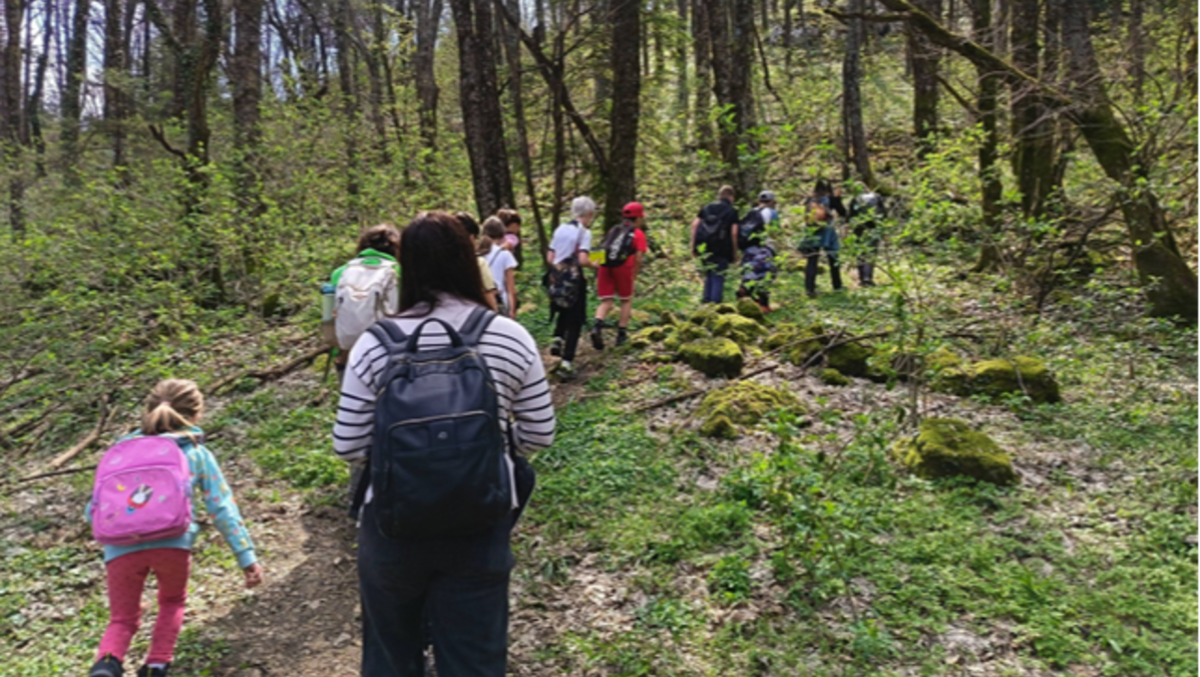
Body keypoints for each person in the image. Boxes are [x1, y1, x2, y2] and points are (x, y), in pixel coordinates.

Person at [332, 212, 555, 677]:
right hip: (479, 526)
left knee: (391, 658)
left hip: (393, 529)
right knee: (474, 662)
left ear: (405, 266)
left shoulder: (375, 344)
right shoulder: (509, 336)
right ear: (468, 259)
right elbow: (539, 434)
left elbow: (348, 445)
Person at [88, 379, 263, 677]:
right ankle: (156, 665)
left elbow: (93, 507)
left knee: (122, 618)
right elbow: (223, 508)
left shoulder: (119, 451)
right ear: (196, 414)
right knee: (171, 601)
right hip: (173, 543)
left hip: (120, 548)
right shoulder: (195, 452)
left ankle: (106, 664)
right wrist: (246, 558)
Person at [328, 224, 402, 382]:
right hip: (389, 354)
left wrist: (337, 354)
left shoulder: (340, 273)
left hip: (348, 354)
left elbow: (328, 320)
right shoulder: (400, 271)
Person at [546, 197, 600, 380]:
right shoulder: (584, 232)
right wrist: (596, 265)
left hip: (556, 277)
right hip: (575, 281)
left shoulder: (560, 229)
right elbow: (584, 260)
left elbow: (550, 257)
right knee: (576, 319)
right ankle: (566, 363)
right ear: (589, 214)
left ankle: (557, 339)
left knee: (562, 309)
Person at [591, 202, 649, 349]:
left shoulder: (614, 229)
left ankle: (597, 326)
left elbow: (603, 248)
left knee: (606, 301)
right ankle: (621, 334)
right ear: (638, 219)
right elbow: (638, 258)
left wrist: (595, 266)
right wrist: (634, 275)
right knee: (626, 300)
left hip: (605, 265)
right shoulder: (638, 234)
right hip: (624, 267)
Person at [691, 185, 740, 304]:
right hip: (722, 248)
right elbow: (734, 232)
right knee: (718, 275)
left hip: (705, 246)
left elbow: (695, 225)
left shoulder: (707, 208)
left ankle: (706, 303)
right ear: (731, 197)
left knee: (709, 274)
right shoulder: (731, 211)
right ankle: (715, 306)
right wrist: (735, 252)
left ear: (719, 196)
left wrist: (693, 246)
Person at [737, 191, 780, 312]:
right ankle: (763, 305)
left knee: (750, 272)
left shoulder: (751, 212)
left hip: (749, 248)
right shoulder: (772, 213)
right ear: (772, 202)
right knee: (766, 275)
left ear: (758, 201)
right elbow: (774, 232)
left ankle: (745, 295)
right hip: (765, 247)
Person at [454, 212, 500, 311]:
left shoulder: (437, 264)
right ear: (471, 238)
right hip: (474, 316)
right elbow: (489, 296)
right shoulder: (478, 263)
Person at [800, 202, 843, 297]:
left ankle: (809, 289)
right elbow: (841, 210)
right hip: (828, 230)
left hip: (812, 231)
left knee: (811, 261)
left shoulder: (810, 201)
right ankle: (837, 286)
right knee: (833, 258)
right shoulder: (828, 198)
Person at [482, 219, 519, 318]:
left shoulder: (477, 252)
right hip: (501, 301)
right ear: (502, 234)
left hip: (482, 301)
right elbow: (511, 288)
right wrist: (512, 310)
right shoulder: (504, 254)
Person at [849, 191, 886, 287]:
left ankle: (862, 277)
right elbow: (883, 213)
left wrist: (850, 224)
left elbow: (851, 214)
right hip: (873, 227)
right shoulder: (876, 197)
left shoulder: (855, 198)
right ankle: (868, 277)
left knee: (860, 251)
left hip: (859, 227)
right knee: (871, 251)